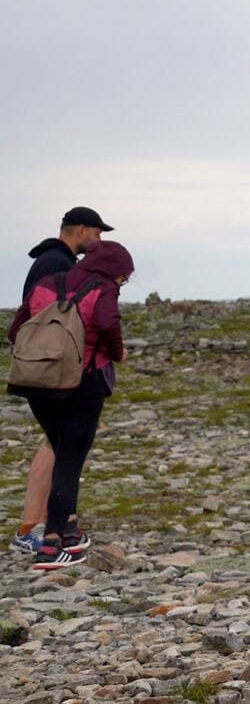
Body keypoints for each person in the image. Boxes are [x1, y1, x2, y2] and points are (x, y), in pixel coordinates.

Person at [11, 238, 132, 571]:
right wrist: (116, 352)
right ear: (113, 270)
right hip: (82, 382)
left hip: (37, 384)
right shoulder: (102, 288)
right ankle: (52, 545)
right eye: (124, 277)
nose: (122, 283)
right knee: (69, 459)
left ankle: (66, 531)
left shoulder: (48, 283)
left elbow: (16, 329)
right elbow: (106, 323)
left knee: (62, 450)